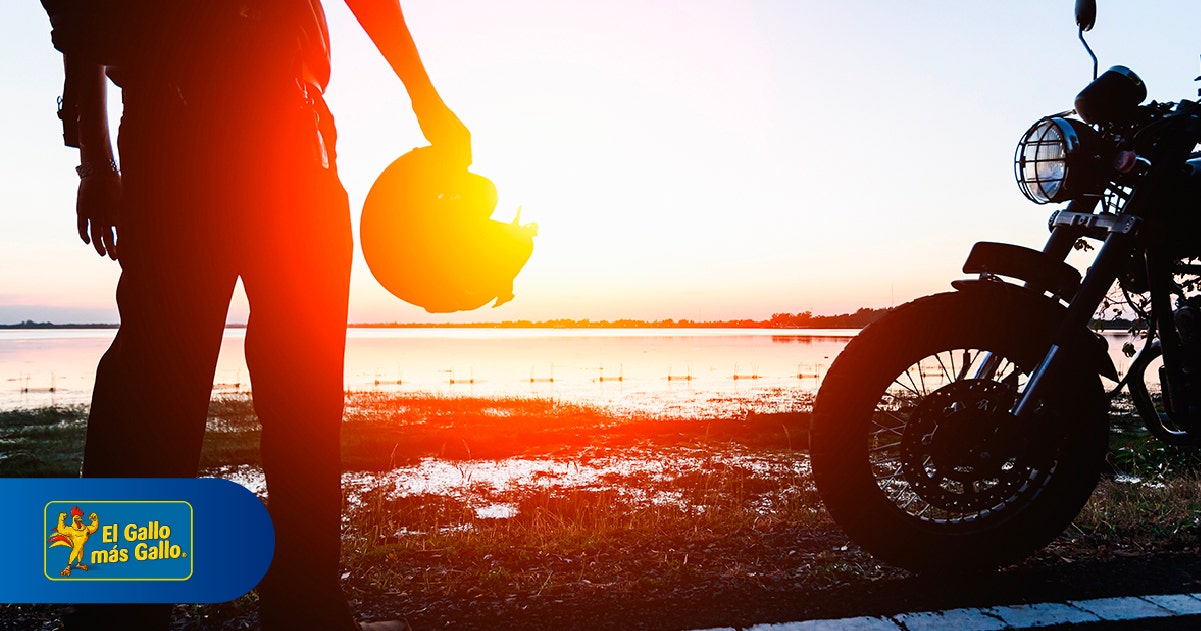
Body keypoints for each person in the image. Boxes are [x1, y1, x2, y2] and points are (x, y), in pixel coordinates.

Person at [47, 1, 469, 629]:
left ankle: (306, 609)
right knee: (152, 392)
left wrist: (423, 95)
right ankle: (118, 615)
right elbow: (82, 22)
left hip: (289, 140)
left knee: (299, 389)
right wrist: (97, 158)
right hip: (183, 138)